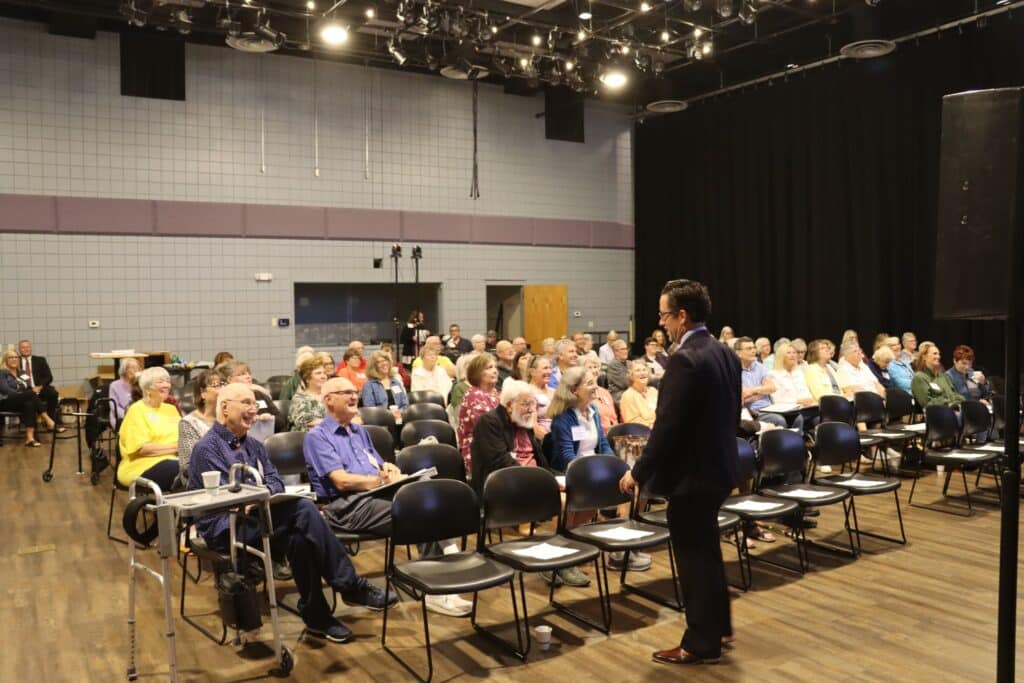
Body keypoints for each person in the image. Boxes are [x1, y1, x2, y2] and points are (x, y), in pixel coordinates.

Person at [188, 382, 396, 644]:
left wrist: (261, 494)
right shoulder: (208, 448)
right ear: (225, 407)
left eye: (255, 404)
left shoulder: (254, 445)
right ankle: (349, 585)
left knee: (300, 533)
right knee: (303, 510)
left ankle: (318, 616)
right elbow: (227, 497)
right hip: (225, 526)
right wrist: (258, 495)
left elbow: (275, 482)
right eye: (247, 403)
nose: (254, 410)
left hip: (258, 516)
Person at [619, 278, 740, 666]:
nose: (663, 323)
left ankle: (700, 642)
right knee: (707, 551)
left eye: (664, 315)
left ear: (682, 316)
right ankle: (717, 625)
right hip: (719, 468)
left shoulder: (686, 359)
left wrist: (637, 473)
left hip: (693, 477)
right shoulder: (725, 352)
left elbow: (667, 427)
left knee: (693, 559)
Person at [303, 377, 472, 617]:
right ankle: (440, 581)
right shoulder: (317, 436)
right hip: (346, 506)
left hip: (377, 494)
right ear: (329, 400)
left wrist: (390, 470)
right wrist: (381, 480)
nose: (354, 396)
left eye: (355, 392)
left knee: (427, 493)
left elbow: (379, 465)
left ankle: (438, 583)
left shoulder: (359, 431)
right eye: (346, 392)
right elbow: (341, 481)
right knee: (420, 511)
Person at [547, 365, 629, 580]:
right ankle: (561, 561)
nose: (596, 387)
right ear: (574, 390)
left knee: (625, 486)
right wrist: (592, 472)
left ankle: (582, 552)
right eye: (590, 384)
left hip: (592, 470)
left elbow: (603, 443)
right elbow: (566, 456)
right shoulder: (563, 418)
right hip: (569, 472)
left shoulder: (592, 413)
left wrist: (612, 465)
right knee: (574, 510)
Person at [470, 379, 551, 495]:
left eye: (533, 404)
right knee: (560, 501)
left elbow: (540, 458)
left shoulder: (523, 420)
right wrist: (536, 479)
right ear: (509, 405)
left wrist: (550, 477)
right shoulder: (489, 422)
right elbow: (500, 462)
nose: (532, 409)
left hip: (533, 480)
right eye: (526, 404)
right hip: (505, 485)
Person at [117, 367, 181, 492]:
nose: (166, 385)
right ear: (147, 387)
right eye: (160, 381)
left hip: (174, 460)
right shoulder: (137, 410)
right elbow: (142, 449)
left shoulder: (171, 409)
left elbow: (184, 436)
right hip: (141, 466)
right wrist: (178, 447)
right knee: (186, 471)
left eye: (168, 381)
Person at [175, 369, 223, 488]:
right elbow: (188, 466)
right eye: (216, 386)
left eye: (223, 385)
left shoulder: (229, 418)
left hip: (230, 477)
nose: (222, 390)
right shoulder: (188, 423)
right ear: (202, 393)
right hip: (202, 483)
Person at [1, 349, 59, 447]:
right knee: (31, 394)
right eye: (11, 357)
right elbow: (6, 391)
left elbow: (27, 387)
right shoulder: (2, 373)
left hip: (21, 401)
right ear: (6, 360)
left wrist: (26, 395)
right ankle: (48, 419)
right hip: (5, 401)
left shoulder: (22, 372)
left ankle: (30, 438)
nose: (14, 359)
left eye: (16, 357)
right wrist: (23, 395)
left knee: (30, 404)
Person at [456, 353, 501, 473]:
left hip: (497, 445)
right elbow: (489, 429)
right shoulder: (474, 395)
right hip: (479, 450)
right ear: (477, 373)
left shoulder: (495, 393)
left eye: (495, 367)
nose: (495, 371)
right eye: (489, 368)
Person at [218, 360, 286, 435]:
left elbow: (281, 421)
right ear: (230, 379)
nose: (248, 376)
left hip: (268, 440)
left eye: (249, 373)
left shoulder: (259, 394)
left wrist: (270, 419)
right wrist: (250, 420)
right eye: (242, 374)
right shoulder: (225, 398)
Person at [734, 337, 786, 427]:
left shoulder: (759, 366)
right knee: (779, 420)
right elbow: (744, 397)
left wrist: (753, 391)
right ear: (738, 353)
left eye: (754, 347)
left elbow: (772, 387)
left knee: (798, 418)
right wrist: (763, 391)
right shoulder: (734, 370)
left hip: (769, 408)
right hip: (753, 411)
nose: (753, 351)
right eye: (749, 348)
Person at [16, 339, 59, 422]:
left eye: (27, 347)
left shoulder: (40, 360)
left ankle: (50, 419)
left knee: (53, 393)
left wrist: (40, 387)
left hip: (39, 388)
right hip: (24, 390)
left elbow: (49, 377)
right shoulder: (16, 361)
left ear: (31, 348)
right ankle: (26, 422)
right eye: (23, 347)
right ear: (19, 350)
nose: (25, 349)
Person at [912, 342, 965, 409]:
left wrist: (961, 400)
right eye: (935, 354)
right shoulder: (919, 378)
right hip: (937, 414)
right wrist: (948, 403)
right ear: (924, 357)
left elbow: (954, 393)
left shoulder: (943, 376)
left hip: (953, 409)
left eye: (939, 354)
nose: (938, 356)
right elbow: (927, 403)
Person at [289, 356, 329, 432]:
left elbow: (354, 418)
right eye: (318, 373)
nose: (323, 376)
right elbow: (308, 424)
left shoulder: (332, 395)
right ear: (307, 378)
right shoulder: (299, 399)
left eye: (324, 373)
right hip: (308, 439)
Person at [583, 355, 618, 435]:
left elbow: (614, 417)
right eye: (590, 368)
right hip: (597, 435)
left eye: (595, 367)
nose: (594, 370)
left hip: (612, 433)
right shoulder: (584, 393)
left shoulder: (605, 392)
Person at [619, 360, 658, 429]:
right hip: (642, 435)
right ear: (631, 376)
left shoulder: (654, 391)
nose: (642, 373)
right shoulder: (628, 396)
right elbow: (634, 424)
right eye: (638, 370)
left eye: (644, 370)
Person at [526, 355, 555, 439]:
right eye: (545, 368)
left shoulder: (554, 391)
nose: (549, 372)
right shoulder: (527, 392)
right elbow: (533, 426)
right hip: (542, 442)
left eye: (550, 368)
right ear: (532, 372)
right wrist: (549, 442)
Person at [109, 357, 140, 426]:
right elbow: (114, 407)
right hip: (120, 417)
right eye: (132, 367)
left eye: (137, 368)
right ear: (124, 370)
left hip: (138, 416)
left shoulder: (139, 384)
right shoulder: (114, 385)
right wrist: (128, 415)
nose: (135, 370)